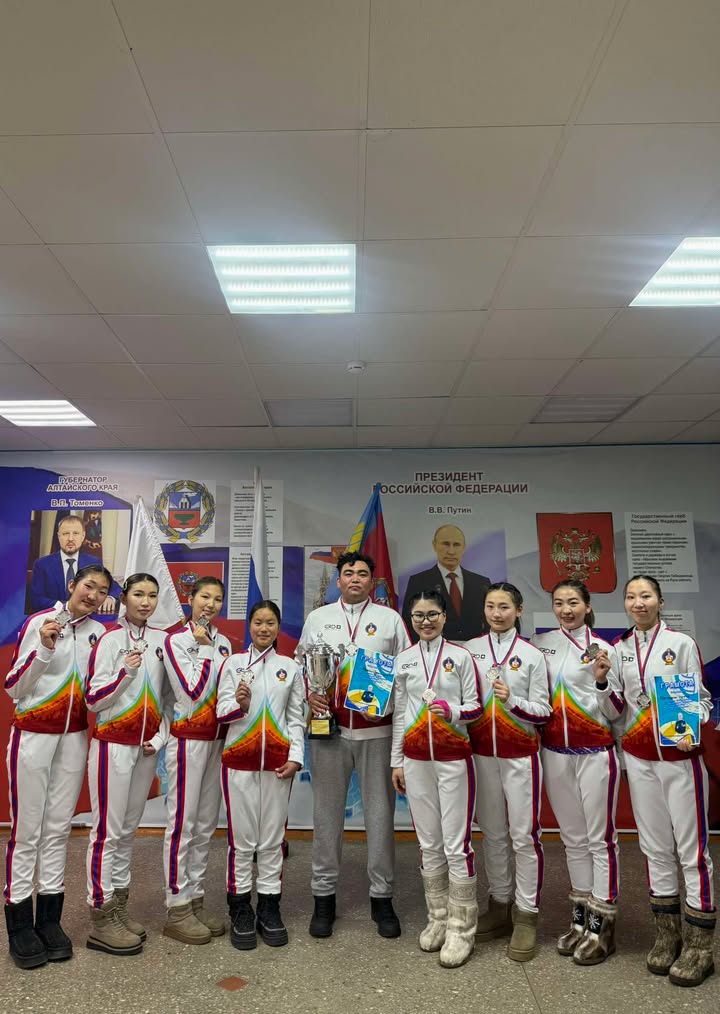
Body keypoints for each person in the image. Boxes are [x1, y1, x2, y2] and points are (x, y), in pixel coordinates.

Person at [593, 575, 715, 988]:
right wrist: (602, 681)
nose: (638, 603)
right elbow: (615, 711)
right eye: (631, 597)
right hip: (639, 760)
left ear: (660, 601)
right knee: (655, 849)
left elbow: (701, 699)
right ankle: (667, 936)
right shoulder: (618, 650)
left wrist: (691, 724)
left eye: (646, 596)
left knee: (692, 852)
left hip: (680, 761)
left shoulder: (680, 644)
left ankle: (700, 946)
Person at [297, 551, 410, 939]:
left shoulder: (389, 620)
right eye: (349, 573)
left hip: (376, 732)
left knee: (380, 818)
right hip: (329, 732)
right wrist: (310, 693)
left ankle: (382, 897)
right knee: (326, 817)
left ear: (372, 581)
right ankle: (323, 897)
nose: (356, 579)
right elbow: (302, 665)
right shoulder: (318, 618)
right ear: (339, 580)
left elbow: (405, 673)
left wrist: (386, 707)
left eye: (363, 573)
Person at [3, 564, 111, 969]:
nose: (93, 595)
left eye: (101, 591)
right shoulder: (39, 622)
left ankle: (49, 921)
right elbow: (14, 687)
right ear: (71, 585)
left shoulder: (100, 634)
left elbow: (99, 691)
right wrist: (45, 649)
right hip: (33, 735)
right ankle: (19, 924)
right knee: (27, 830)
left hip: (74, 739)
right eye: (88, 586)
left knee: (57, 829)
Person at [532, 580, 623, 965]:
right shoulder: (540, 645)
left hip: (596, 753)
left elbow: (616, 710)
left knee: (600, 840)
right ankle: (581, 919)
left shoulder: (606, 649)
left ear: (588, 606)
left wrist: (601, 680)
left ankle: (603, 926)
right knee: (572, 840)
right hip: (555, 753)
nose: (566, 609)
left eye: (573, 602)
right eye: (559, 603)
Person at [84, 573, 173, 956]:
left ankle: (119, 906)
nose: (145, 601)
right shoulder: (108, 640)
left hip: (145, 751)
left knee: (127, 831)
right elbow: (93, 700)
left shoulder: (163, 642)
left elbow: (169, 700)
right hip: (112, 748)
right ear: (124, 598)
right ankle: (101, 914)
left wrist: (160, 738)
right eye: (138, 594)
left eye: (152, 595)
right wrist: (125, 674)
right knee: (107, 831)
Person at [391, 590, 482, 968]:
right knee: (428, 843)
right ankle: (439, 919)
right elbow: (400, 712)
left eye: (432, 614)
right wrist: (397, 760)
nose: (425, 621)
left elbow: (476, 706)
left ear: (444, 617)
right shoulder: (404, 660)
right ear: (410, 619)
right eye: (418, 615)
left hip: (453, 759)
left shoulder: (460, 657)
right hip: (416, 761)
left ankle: (462, 928)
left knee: (456, 845)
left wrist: (452, 710)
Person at [465, 582, 551, 962]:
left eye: (504, 607)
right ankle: (499, 904)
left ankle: (526, 914)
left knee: (524, 836)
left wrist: (511, 700)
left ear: (519, 610)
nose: (496, 614)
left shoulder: (531, 655)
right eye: (490, 606)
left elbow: (544, 711)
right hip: (482, 754)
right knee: (493, 833)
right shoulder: (470, 651)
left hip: (520, 756)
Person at [216, 600, 304, 951]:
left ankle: (269, 906)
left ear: (278, 627)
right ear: (249, 625)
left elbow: (296, 717)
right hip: (239, 761)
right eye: (257, 622)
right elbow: (221, 712)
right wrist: (239, 705)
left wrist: (296, 757)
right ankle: (240, 908)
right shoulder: (233, 664)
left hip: (278, 766)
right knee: (242, 842)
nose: (263, 628)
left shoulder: (290, 667)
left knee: (271, 841)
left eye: (270, 623)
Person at [163, 576, 231, 944]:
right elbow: (191, 691)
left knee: (205, 826)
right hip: (188, 740)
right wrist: (204, 649)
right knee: (183, 825)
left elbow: (224, 693)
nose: (211, 604)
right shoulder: (177, 640)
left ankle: (195, 898)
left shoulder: (224, 643)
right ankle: (176, 906)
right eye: (205, 596)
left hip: (216, 741)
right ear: (191, 598)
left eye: (217, 599)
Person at [402, 525, 490, 643]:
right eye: (445, 544)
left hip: (475, 650)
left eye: (456, 545)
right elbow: (409, 623)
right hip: (435, 649)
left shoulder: (481, 583)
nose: (451, 551)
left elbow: (489, 623)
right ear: (435, 545)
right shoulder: (419, 581)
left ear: (464, 547)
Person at [29, 515, 121, 614]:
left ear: (83, 536)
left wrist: (110, 598)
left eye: (76, 533)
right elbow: (36, 599)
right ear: (59, 536)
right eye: (65, 534)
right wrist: (67, 606)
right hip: (54, 616)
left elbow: (115, 589)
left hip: (85, 618)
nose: (70, 539)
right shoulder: (42, 564)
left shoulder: (93, 562)